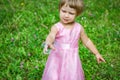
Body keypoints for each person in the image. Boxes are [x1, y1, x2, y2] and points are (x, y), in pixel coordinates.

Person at [42, 0, 106, 80]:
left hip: (72, 60)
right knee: (54, 76)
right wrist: (48, 42)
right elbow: (51, 35)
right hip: (57, 58)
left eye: (71, 13)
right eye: (64, 11)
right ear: (59, 9)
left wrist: (96, 53)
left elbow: (87, 41)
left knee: (72, 76)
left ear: (77, 14)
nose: (66, 15)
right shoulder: (56, 27)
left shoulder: (79, 28)